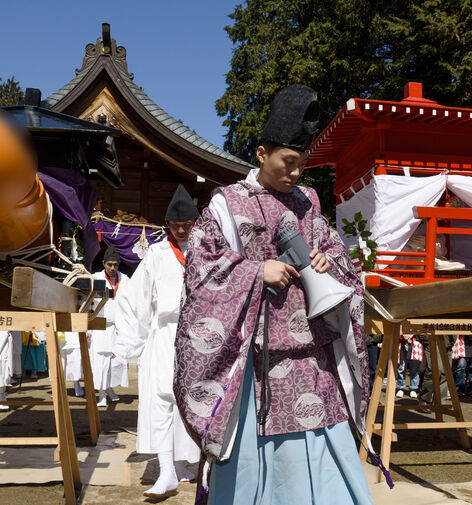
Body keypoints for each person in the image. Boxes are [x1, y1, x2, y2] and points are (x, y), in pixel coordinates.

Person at [173, 85, 374, 504]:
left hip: (311, 354)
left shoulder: (309, 203)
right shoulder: (228, 204)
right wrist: (253, 270)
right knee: (249, 461)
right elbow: (200, 270)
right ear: (262, 153)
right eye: (288, 163)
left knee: (322, 453)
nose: (296, 174)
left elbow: (339, 256)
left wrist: (327, 263)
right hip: (253, 361)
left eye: (302, 165)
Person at [114, 185, 201, 498]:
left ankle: (185, 463)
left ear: (196, 223)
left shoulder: (207, 251)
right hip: (164, 333)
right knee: (162, 398)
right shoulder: (156, 253)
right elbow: (136, 299)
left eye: (186, 225)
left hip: (200, 336)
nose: (180, 230)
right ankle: (166, 470)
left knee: (194, 402)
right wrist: (126, 344)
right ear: (167, 224)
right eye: (175, 225)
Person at [89, 246, 129, 407]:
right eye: (109, 265)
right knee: (101, 361)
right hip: (100, 326)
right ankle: (101, 394)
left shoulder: (125, 279)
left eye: (115, 265)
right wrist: (87, 328)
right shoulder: (95, 278)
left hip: (119, 327)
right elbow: (88, 304)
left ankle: (110, 388)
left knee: (116, 361)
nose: (112, 268)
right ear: (103, 263)